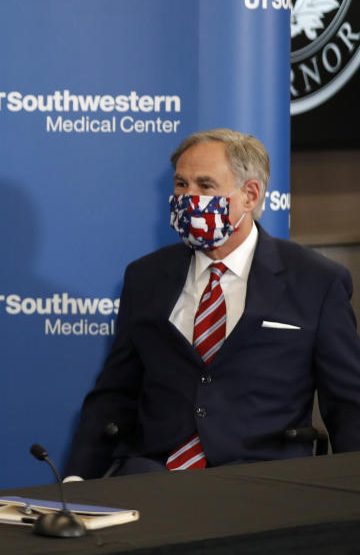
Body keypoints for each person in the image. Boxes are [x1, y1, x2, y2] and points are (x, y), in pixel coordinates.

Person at [65, 129, 360, 479]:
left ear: (250, 194)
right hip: (153, 477)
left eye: (205, 186)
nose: (187, 198)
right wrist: (76, 483)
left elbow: (348, 403)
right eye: (180, 184)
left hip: (265, 482)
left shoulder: (316, 281)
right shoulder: (145, 277)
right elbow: (115, 394)